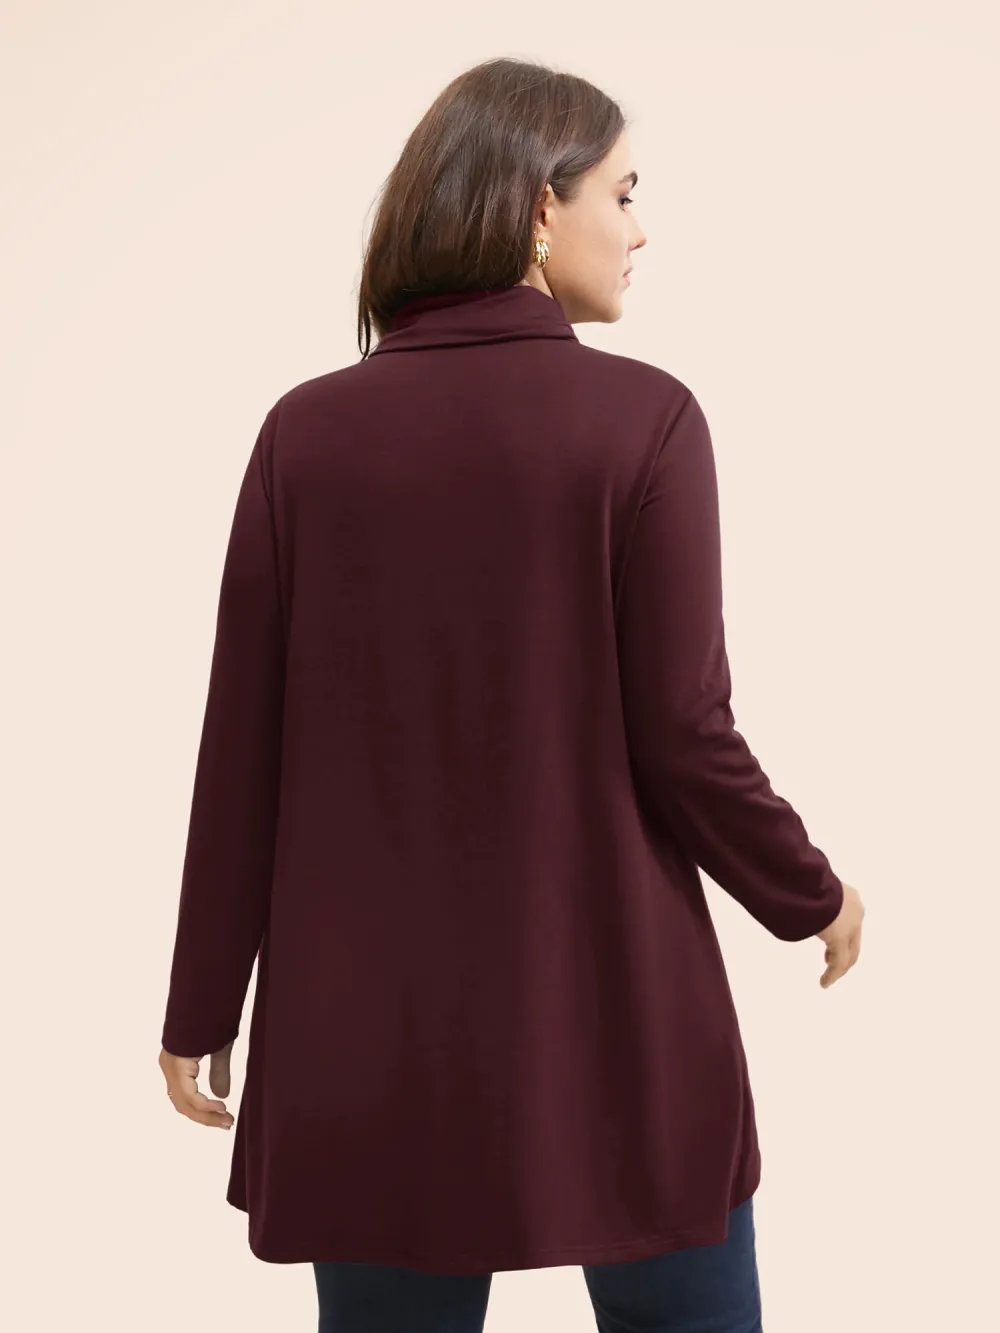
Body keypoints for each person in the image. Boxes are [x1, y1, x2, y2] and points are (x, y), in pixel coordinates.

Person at [158, 56, 865, 1333]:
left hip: (371, 1045)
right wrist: (809, 891)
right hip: (617, 1021)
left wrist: (204, 997)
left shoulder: (304, 435)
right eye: (623, 193)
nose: (640, 229)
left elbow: (241, 751)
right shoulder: (645, 421)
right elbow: (684, 734)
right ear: (541, 208)